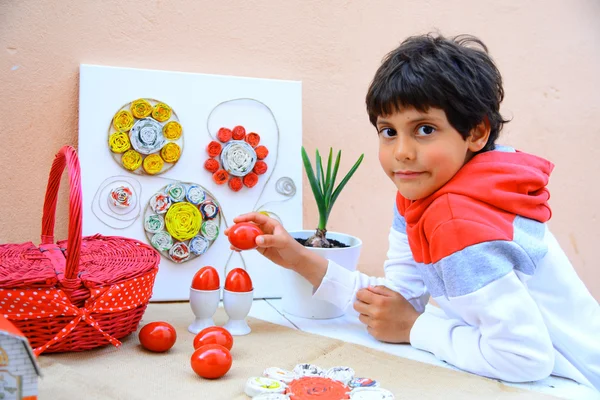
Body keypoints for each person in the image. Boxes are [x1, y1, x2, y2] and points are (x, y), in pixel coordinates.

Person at [225, 33, 600, 390]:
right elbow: (396, 303)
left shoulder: (460, 220)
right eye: (388, 131)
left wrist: (417, 329)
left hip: (575, 384)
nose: (402, 151)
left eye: (424, 128)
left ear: (476, 133)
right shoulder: (421, 198)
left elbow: (524, 359)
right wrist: (300, 259)